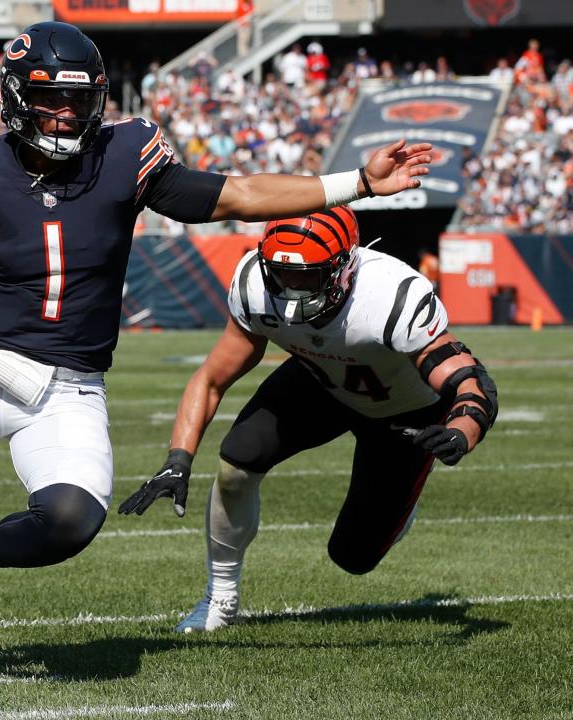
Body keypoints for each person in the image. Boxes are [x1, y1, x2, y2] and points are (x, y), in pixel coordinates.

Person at [0, 21, 432, 690]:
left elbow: (236, 195)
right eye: (51, 99)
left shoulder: (125, 152)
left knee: (71, 521)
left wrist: (360, 184)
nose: (65, 115)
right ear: (16, 98)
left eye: (79, 100)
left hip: (70, 387)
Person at [118, 206, 498, 633]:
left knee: (353, 556)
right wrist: (178, 459)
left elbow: (470, 383)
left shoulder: (391, 294)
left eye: (308, 275)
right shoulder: (254, 284)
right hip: (319, 382)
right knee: (237, 462)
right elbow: (210, 380)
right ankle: (219, 597)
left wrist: (462, 432)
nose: (292, 289)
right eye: (282, 273)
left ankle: (398, 509)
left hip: (403, 412)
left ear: (345, 268)